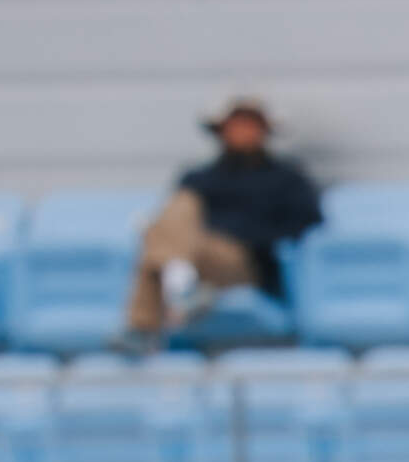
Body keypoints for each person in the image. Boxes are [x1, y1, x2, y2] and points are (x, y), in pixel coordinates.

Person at [124, 96, 322, 343]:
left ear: (264, 130)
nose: (242, 131)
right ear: (221, 131)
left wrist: (252, 237)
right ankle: (182, 284)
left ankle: (147, 322)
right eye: (235, 125)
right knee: (179, 210)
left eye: (250, 125)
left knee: (158, 240)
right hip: (194, 253)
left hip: (245, 264)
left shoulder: (286, 179)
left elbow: (307, 221)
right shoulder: (198, 178)